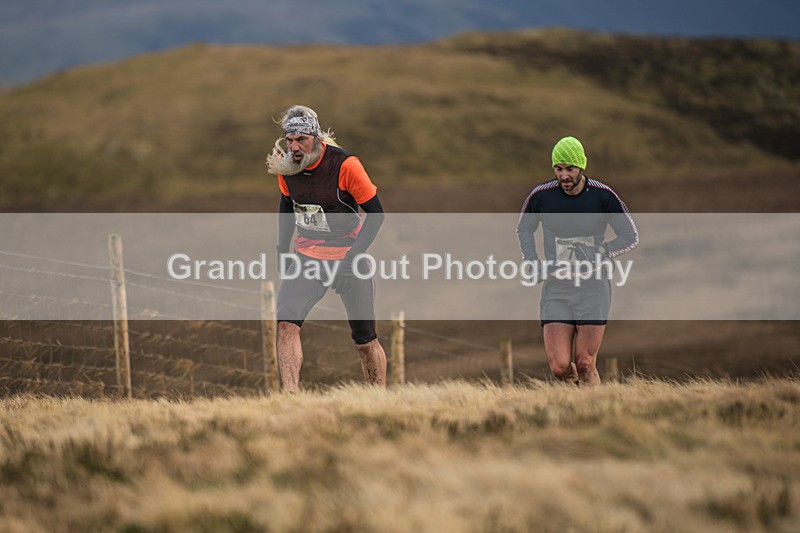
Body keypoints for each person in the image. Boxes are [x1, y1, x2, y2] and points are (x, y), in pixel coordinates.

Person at [266, 105, 387, 392]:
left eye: (301, 140)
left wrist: (352, 259)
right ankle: (290, 398)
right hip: (307, 257)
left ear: (317, 138)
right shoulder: (287, 166)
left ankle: (379, 398)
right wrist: (283, 249)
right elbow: (286, 206)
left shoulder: (345, 165)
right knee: (286, 324)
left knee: (365, 341)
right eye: (289, 140)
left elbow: (377, 214)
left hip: (349, 256)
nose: (294, 147)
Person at [516, 136, 638, 385]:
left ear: (581, 166)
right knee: (560, 367)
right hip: (556, 288)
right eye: (558, 169)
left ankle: (595, 411)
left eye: (569, 169)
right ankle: (575, 399)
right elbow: (524, 229)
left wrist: (601, 251)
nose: (564, 176)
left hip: (593, 288)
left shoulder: (603, 196)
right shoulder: (541, 196)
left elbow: (630, 236)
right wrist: (532, 261)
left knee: (585, 363)